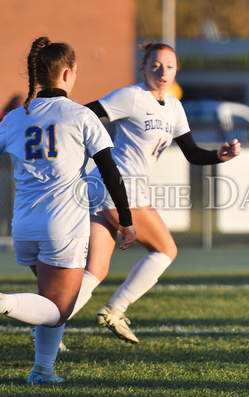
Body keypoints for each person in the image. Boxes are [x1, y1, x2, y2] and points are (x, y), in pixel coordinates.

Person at [66, 43, 241, 344]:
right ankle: (114, 309)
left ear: (176, 70)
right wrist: (85, 150)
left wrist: (218, 156)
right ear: (143, 67)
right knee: (166, 249)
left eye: (169, 66)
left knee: (96, 269)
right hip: (117, 186)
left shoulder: (173, 106)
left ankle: (46, 327)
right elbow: (84, 115)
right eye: (156, 65)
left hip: (118, 188)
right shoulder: (132, 96)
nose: (163, 71)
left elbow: (192, 153)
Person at [0, 37, 136, 384]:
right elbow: (109, 170)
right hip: (63, 227)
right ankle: (2, 303)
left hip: (24, 226)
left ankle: (42, 372)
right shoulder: (80, 115)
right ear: (66, 73)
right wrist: (126, 218)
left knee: (51, 302)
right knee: (58, 309)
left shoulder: (15, 118)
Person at [0, 95, 23, 238]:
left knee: (14, 203)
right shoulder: (6, 118)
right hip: (4, 168)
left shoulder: (26, 119)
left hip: (17, 169)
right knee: (4, 202)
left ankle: (11, 233)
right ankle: (5, 234)